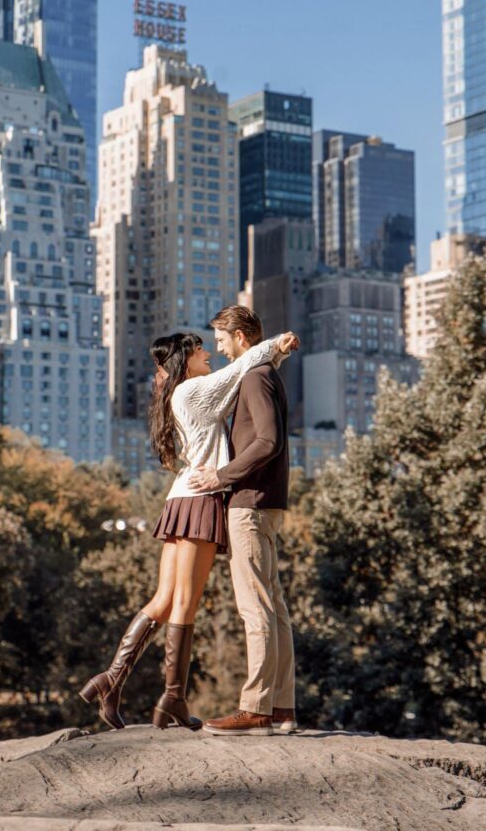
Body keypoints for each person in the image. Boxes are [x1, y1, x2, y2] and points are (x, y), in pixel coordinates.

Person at [79, 328, 299, 732]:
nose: (207, 352)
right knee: (184, 604)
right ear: (184, 359)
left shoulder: (187, 394)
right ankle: (171, 697)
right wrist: (276, 345)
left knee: (164, 598)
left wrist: (274, 359)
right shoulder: (191, 390)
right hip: (199, 500)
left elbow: (237, 382)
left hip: (180, 497)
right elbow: (242, 367)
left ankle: (113, 680)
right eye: (199, 348)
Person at [189, 306, 297, 736]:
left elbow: (268, 440)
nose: (217, 345)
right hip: (265, 503)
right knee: (275, 610)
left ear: (239, 336)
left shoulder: (255, 377)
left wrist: (220, 476)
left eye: (220, 338)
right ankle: (282, 708)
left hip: (249, 505)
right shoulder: (265, 373)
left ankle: (255, 709)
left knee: (256, 609)